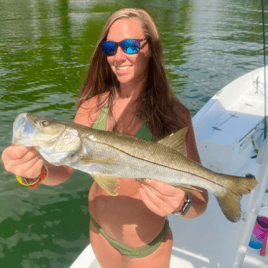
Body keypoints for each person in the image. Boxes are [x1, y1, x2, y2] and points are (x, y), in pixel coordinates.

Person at [1, 8, 208, 268]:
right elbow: (63, 170)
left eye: (131, 46)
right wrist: (33, 174)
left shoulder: (175, 115)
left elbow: (200, 201)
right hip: (99, 234)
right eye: (110, 47)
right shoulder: (91, 107)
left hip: (147, 248)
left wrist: (182, 204)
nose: (118, 56)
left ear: (151, 50)